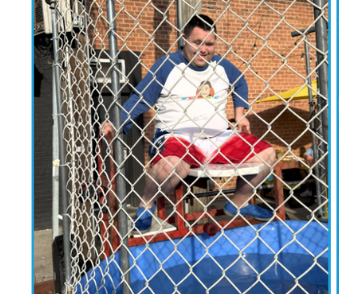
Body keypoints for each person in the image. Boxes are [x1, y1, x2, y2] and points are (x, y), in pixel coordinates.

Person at [101, 14, 277, 229]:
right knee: (174, 166)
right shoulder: (167, 66)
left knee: (268, 154)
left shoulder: (221, 65)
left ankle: (238, 202)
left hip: (219, 138)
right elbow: (140, 98)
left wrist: (240, 113)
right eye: (197, 42)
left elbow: (240, 82)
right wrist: (116, 123)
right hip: (176, 137)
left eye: (210, 44)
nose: (204, 49)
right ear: (184, 40)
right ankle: (146, 205)